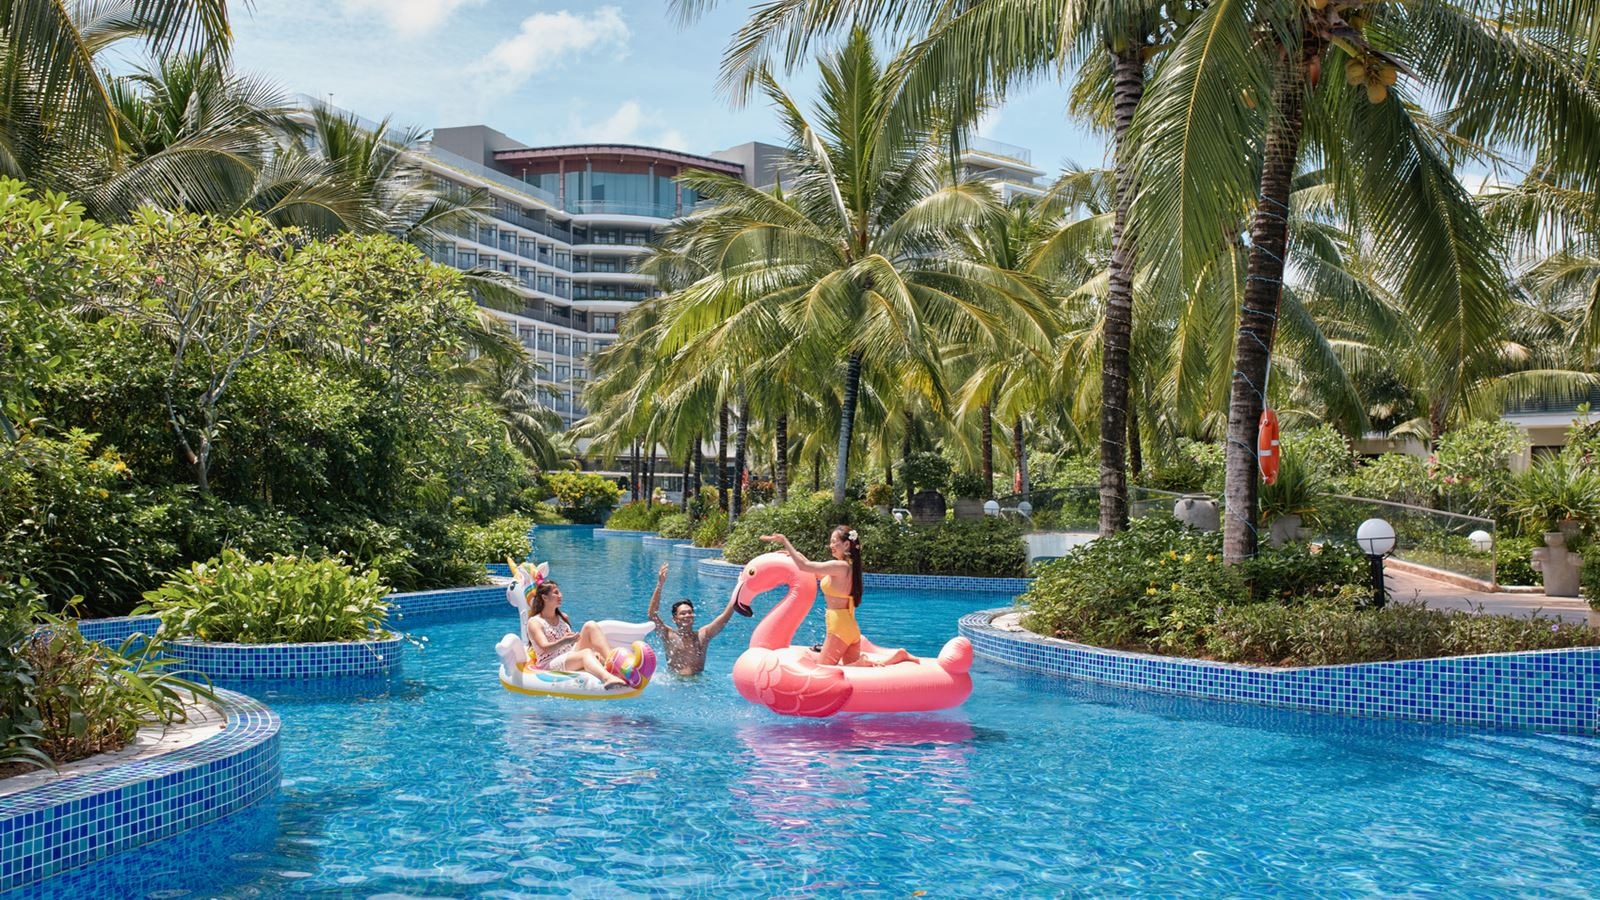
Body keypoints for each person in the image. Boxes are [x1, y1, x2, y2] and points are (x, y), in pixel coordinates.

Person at [761, 526, 909, 666]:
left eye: (834, 542)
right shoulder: (849, 568)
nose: (831, 545)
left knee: (823, 670)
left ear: (846, 545)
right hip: (851, 627)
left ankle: (862, 663)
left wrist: (785, 541)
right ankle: (896, 657)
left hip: (838, 627)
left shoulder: (840, 566)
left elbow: (804, 566)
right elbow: (818, 574)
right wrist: (797, 555)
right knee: (853, 672)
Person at [525, 579, 631, 690]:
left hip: (568, 655)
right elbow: (545, 648)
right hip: (550, 663)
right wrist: (565, 641)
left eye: (559, 592)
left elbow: (570, 645)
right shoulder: (535, 622)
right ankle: (607, 678)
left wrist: (588, 649)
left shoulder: (563, 617)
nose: (560, 595)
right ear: (544, 597)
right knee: (586, 653)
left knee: (590, 625)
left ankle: (614, 664)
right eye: (556, 593)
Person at [646, 563, 741, 676]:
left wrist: (739, 587)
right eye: (683, 613)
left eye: (690, 612)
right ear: (675, 619)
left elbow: (725, 616)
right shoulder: (668, 635)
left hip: (699, 683)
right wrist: (659, 585)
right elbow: (652, 615)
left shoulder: (703, 635)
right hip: (676, 683)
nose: (687, 615)